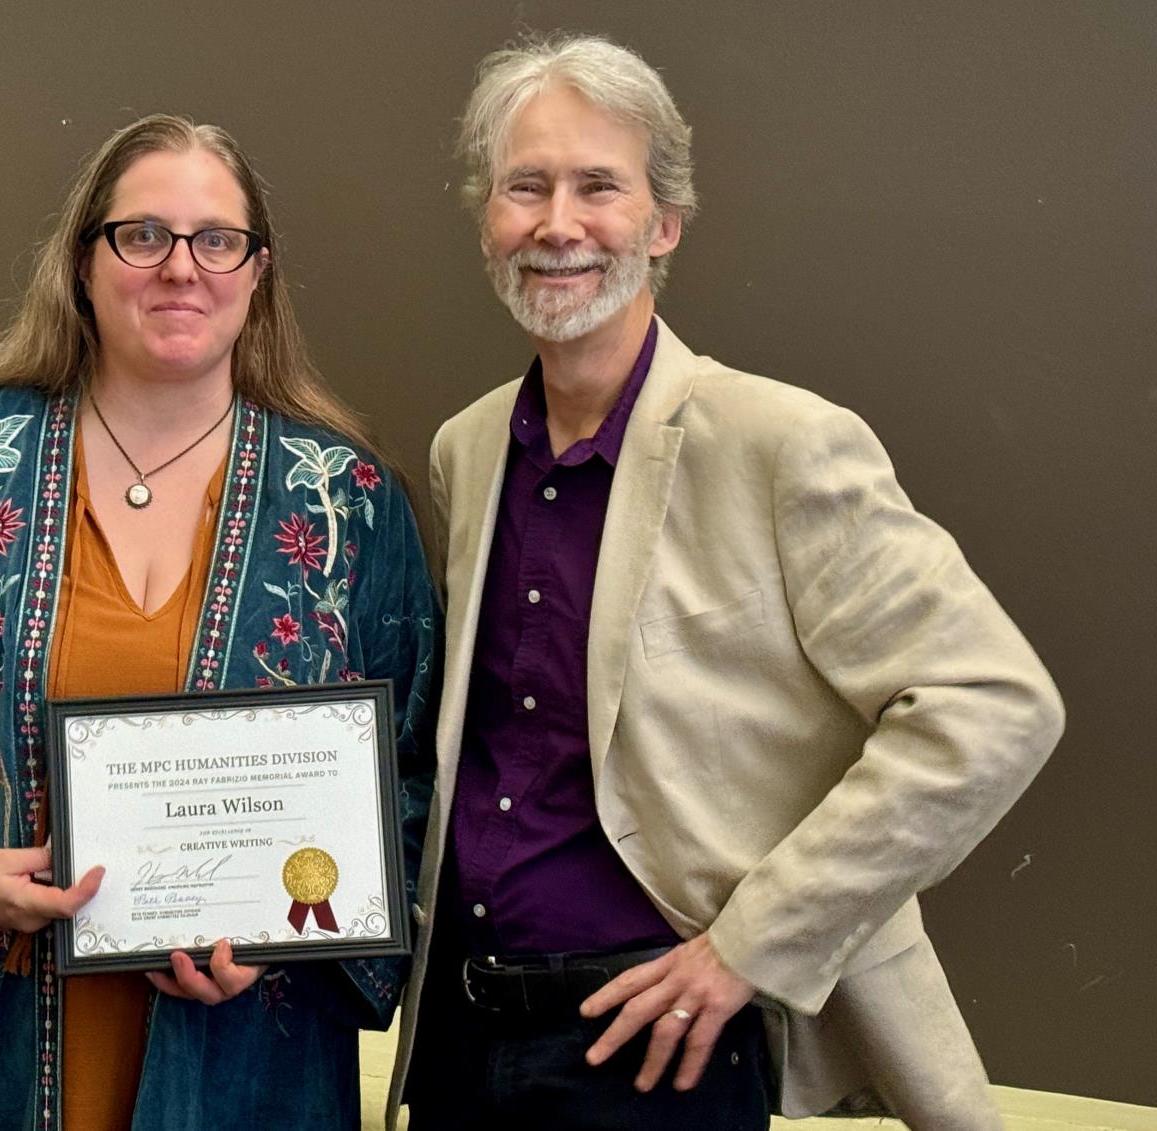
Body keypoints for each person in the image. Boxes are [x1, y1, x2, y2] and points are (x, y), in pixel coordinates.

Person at [390, 34, 1064, 1131]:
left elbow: (994, 705)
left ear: (663, 225)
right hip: (461, 1043)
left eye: (598, 186)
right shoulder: (467, 450)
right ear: (487, 222)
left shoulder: (783, 443)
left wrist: (749, 946)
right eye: (526, 186)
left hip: (663, 1055)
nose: (557, 223)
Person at [0, 113, 437, 1131]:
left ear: (256, 274)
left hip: (240, 1060)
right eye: (143, 235)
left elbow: (410, 770)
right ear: (82, 262)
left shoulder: (340, 499)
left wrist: (288, 926)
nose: (182, 268)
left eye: (216, 239)